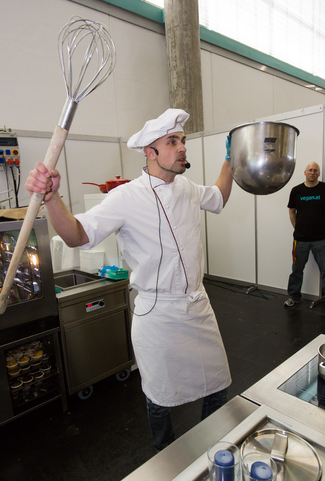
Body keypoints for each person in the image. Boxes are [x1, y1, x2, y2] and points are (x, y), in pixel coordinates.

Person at [25, 108, 233, 450]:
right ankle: (167, 455)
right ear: (150, 152)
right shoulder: (125, 197)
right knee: (161, 397)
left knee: (218, 383)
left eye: (182, 140)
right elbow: (78, 234)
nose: (182, 148)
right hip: (158, 314)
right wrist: (51, 197)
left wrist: (230, 160)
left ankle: (213, 450)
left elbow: (220, 196)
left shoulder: (188, 189)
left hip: (198, 307)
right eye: (172, 142)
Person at [284, 161, 325, 307]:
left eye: (315, 170)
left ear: (319, 173)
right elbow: (291, 210)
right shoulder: (297, 191)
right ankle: (294, 297)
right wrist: (297, 228)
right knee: (296, 270)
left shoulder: (324, 188)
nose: (312, 172)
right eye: (310, 170)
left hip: (321, 239)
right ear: (305, 172)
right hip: (300, 240)